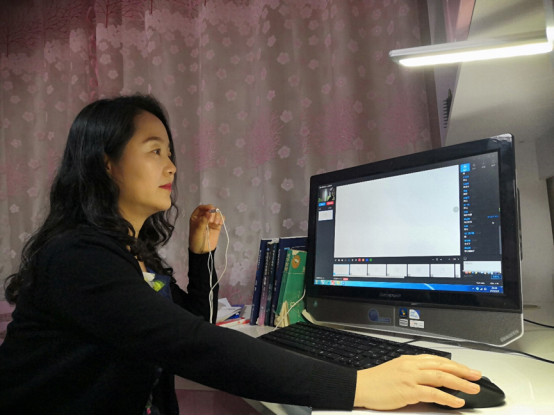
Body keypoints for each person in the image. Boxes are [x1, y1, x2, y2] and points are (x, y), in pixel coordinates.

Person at [0, 95, 482, 414]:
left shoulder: (130, 252)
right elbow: (190, 344)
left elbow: (190, 323)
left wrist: (201, 255)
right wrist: (359, 387)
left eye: (169, 153)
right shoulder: (78, 256)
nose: (172, 167)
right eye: (154, 151)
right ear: (106, 163)